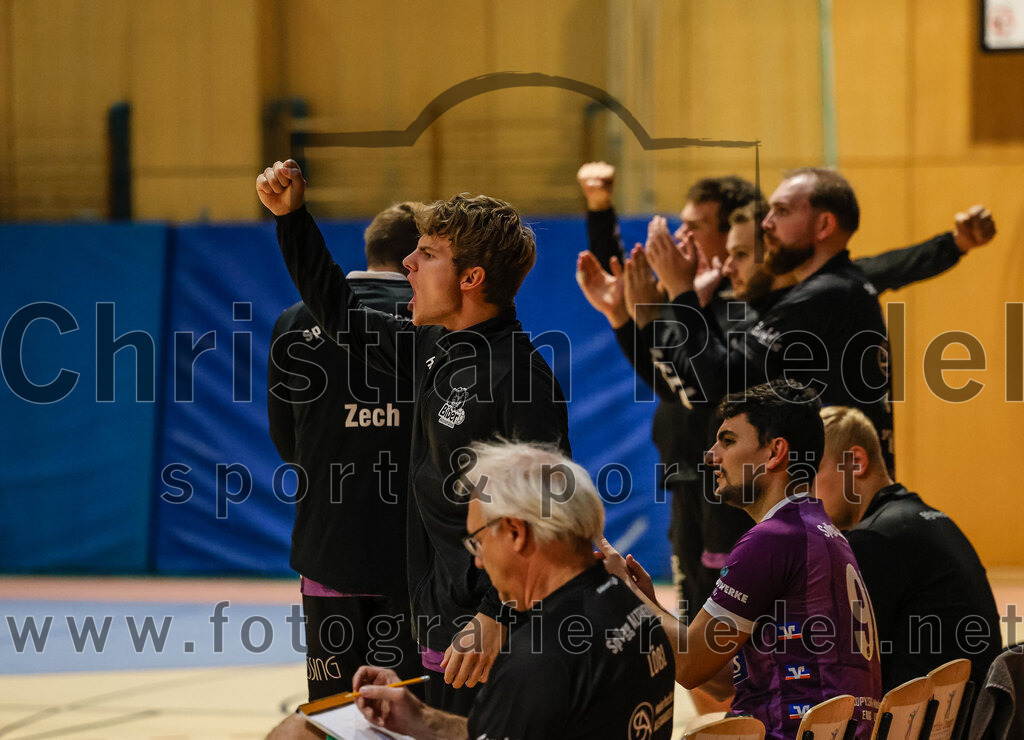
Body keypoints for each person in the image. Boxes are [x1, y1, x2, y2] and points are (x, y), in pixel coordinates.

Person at [257, 160, 570, 716]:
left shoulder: (520, 379)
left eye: (427, 254)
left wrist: (498, 618)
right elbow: (341, 315)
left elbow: (548, 513)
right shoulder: (435, 351)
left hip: (487, 639)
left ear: (470, 278)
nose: (407, 263)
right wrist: (292, 220)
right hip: (438, 624)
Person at [602, 380, 882, 740]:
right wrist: (651, 603)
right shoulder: (822, 532)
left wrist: (628, 595)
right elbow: (717, 682)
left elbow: (688, 665)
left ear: (775, 452)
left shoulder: (773, 540)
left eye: (728, 440)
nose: (710, 455)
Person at [351, 440, 675, 740]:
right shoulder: (634, 607)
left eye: (478, 541)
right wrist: (422, 717)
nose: (478, 561)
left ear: (516, 533)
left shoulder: (539, 659)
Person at [575, 163, 757, 634]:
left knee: (724, 629)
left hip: (727, 484)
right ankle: (721, 707)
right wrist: (622, 317)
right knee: (694, 620)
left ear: (731, 233)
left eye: (694, 226)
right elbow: (663, 380)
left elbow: (705, 387)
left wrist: (665, 305)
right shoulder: (692, 299)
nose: (681, 234)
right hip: (684, 472)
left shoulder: (736, 307)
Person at [266, 203, 424, 708]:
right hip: (415, 557)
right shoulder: (439, 325)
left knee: (335, 710)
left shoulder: (294, 322)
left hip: (329, 548)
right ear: (416, 259)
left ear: (371, 249)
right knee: (410, 712)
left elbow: (288, 441)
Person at [816, 405, 1003, 692]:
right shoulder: (929, 519)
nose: (803, 493)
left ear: (855, 462)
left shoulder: (874, 539)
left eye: (812, 473)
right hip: (972, 717)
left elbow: (842, 669)